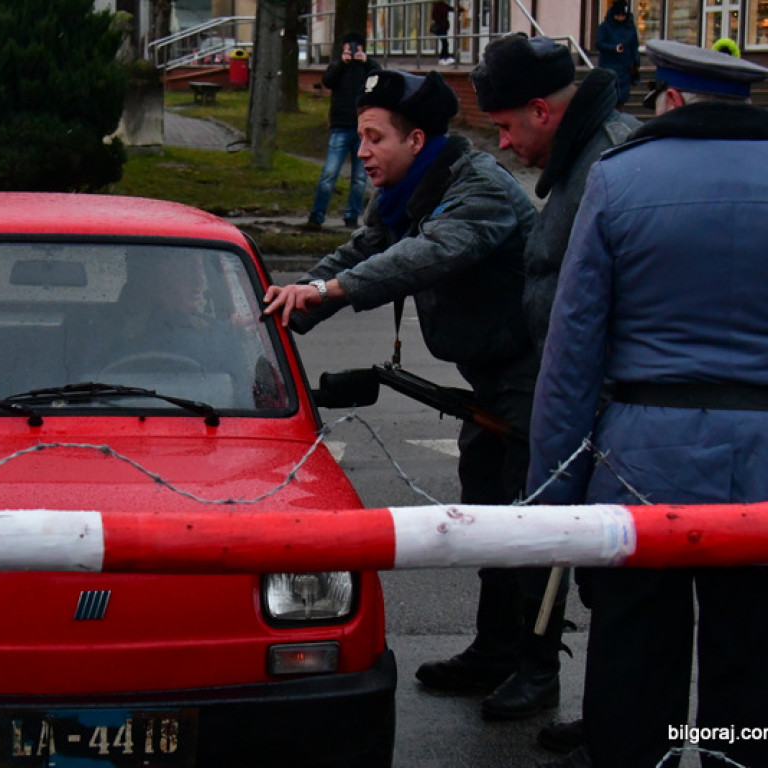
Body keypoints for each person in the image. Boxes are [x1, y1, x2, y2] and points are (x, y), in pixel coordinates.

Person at [263, 67, 538, 719]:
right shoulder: (405, 191)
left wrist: (329, 294)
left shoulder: (479, 190)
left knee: (532, 524)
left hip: (537, 371)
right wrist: (284, 304)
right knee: (489, 509)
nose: (361, 153)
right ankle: (496, 650)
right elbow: (362, 250)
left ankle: (536, 667)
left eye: (373, 138)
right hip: (490, 377)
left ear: (417, 139)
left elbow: (424, 257)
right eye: (359, 137)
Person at [528, 39, 768, 768]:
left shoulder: (619, 178)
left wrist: (552, 501)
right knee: (753, 660)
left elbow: (572, 356)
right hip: (763, 465)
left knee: (635, 660)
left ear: (666, 99)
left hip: (641, 462)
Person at [453, 36, 640, 758]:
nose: (504, 143)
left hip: (600, 398)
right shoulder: (585, 155)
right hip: (569, 381)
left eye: (506, 127)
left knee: (604, 569)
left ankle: (618, 716)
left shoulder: (611, 160)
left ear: (542, 109)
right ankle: (572, 689)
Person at [304, 32, 379, 231]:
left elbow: (379, 80)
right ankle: (317, 215)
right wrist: (342, 63)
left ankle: (351, 216)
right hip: (340, 126)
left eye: (356, 48)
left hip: (362, 130)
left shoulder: (368, 69)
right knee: (329, 173)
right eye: (348, 48)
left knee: (359, 177)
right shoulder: (338, 67)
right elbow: (328, 81)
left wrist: (367, 63)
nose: (353, 52)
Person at [596, 1, 640, 109]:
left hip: (625, 67)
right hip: (609, 65)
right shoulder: (605, 27)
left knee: (622, 96)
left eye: (622, 16)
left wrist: (636, 61)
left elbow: (634, 46)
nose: (620, 18)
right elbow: (599, 43)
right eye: (618, 15)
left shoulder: (630, 28)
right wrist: (614, 48)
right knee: (609, 94)